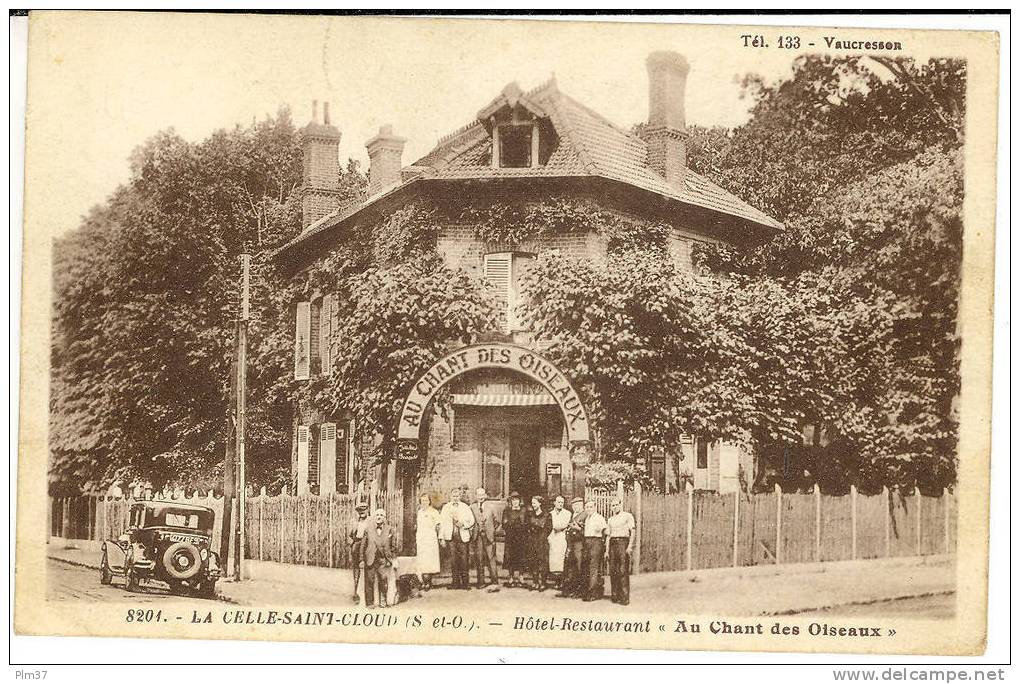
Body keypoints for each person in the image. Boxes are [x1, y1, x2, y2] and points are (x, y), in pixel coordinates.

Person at [439, 485, 475, 589]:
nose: (455, 497)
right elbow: (442, 523)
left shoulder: (465, 507)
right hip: (451, 537)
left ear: (460, 496)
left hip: (462, 536)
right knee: (453, 560)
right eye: (453, 495)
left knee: (464, 560)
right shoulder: (446, 508)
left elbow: (471, 521)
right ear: (450, 496)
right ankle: (455, 583)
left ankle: (465, 583)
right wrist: (441, 538)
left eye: (457, 495)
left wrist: (463, 524)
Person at [361, 508, 397, 609]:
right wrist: (361, 559)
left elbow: (393, 546)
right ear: (374, 517)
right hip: (370, 558)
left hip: (383, 559)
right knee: (369, 580)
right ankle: (369, 603)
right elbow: (363, 546)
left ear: (384, 518)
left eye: (381, 515)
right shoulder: (368, 529)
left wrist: (391, 558)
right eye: (377, 515)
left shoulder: (389, 529)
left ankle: (383, 601)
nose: (379, 517)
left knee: (383, 580)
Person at [605, 497, 636, 605]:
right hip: (613, 544)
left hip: (623, 543)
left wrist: (630, 546)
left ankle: (624, 597)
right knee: (613, 570)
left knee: (623, 570)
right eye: (613, 505)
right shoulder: (610, 519)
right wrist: (606, 550)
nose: (615, 507)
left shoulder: (627, 516)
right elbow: (608, 536)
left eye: (616, 504)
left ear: (620, 504)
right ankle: (615, 595)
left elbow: (632, 531)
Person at [469, 487, 501, 591]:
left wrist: (491, 531)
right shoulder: (472, 507)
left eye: (482, 495)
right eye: (479, 495)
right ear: (476, 496)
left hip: (489, 537)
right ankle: (481, 582)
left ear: (485, 495)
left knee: (491, 558)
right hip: (477, 537)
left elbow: (497, 522)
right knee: (479, 559)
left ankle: (494, 581)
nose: (481, 497)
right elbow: (470, 521)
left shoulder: (491, 507)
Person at [557, 496, 587, 598]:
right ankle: (570, 590)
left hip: (579, 544)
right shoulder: (574, 515)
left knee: (579, 567)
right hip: (571, 543)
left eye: (578, 505)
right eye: (574, 505)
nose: (575, 507)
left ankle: (580, 591)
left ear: (582, 505)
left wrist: (577, 529)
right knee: (570, 567)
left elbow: (586, 531)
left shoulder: (585, 515)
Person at [581, 499, 609, 602]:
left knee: (594, 567)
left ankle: (593, 593)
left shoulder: (599, 518)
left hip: (596, 542)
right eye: (587, 507)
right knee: (587, 567)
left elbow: (606, 531)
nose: (589, 509)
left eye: (591, 507)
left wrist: (603, 543)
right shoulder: (587, 518)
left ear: (595, 507)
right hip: (587, 541)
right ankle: (591, 591)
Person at [500, 491, 528, 588]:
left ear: (520, 501)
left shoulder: (523, 510)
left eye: (517, 500)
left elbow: (526, 523)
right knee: (510, 556)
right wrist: (512, 523)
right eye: (513, 500)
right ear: (510, 501)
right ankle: (511, 576)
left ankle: (521, 575)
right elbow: (504, 523)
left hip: (521, 537)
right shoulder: (507, 511)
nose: (515, 502)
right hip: (511, 537)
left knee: (521, 556)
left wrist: (520, 525)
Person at [415, 493, 441, 591]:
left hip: (430, 539)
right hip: (421, 539)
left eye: (426, 500)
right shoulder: (419, 512)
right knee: (422, 560)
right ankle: (423, 581)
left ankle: (428, 582)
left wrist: (438, 537)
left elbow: (438, 525)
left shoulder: (434, 512)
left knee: (430, 560)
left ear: (429, 501)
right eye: (422, 501)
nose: (424, 502)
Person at [525, 495, 551, 590]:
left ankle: (543, 582)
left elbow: (548, 528)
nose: (533, 505)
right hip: (532, 541)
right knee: (533, 561)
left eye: (535, 503)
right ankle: (535, 581)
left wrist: (541, 534)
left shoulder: (547, 515)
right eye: (532, 503)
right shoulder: (530, 515)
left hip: (542, 541)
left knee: (543, 562)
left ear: (540, 503)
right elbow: (527, 526)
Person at [347, 503, 370, 604]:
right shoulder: (354, 522)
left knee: (367, 568)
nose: (361, 513)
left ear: (367, 510)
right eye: (359, 511)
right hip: (357, 545)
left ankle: (367, 592)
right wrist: (352, 544)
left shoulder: (371, 521)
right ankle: (356, 592)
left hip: (367, 546)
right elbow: (349, 535)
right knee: (356, 570)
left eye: (363, 510)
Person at [547, 495, 571, 588]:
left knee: (561, 559)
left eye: (562, 502)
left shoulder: (567, 513)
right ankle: (556, 581)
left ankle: (561, 581)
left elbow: (565, 524)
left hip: (562, 537)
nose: (560, 504)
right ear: (555, 503)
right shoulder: (550, 513)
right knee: (554, 560)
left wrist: (559, 527)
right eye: (558, 502)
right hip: (553, 538)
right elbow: (550, 525)